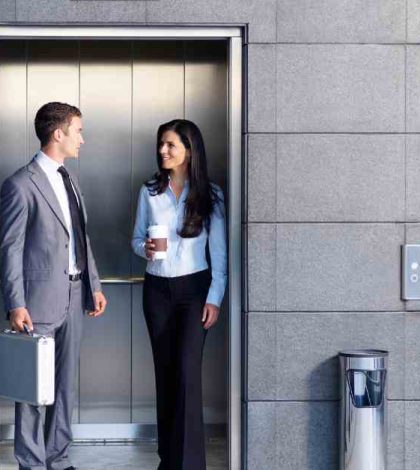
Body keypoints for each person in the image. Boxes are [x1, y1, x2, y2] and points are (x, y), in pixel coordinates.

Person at [0, 102, 107, 470]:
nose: (83, 139)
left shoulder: (70, 179)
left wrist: (94, 284)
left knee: (65, 387)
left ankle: (58, 459)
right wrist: (15, 303)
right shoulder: (19, 184)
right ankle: (31, 463)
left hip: (76, 296)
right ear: (58, 133)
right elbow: (9, 248)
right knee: (32, 389)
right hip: (36, 302)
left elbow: (81, 236)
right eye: (78, 130)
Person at [131, 119, 227, 470]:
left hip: (194, 291)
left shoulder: (211, 195)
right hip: (157, 291)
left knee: (188, 374)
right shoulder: (149, 191)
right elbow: (136, 239)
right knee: (166, 373)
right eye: (161, 144)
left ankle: (189, 464)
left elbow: (219, 254)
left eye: (170, 145)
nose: (162, 151)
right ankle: (168, 460)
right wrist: (147, 251)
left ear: (189, 150)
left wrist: (214, 297)